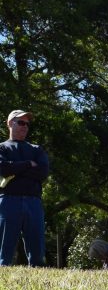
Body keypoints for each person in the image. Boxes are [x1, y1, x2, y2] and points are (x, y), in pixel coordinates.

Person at [0, 110, 49, 266]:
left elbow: (43, 172)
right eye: (21, 122)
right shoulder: (2, 148)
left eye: (27, 124)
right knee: (4, 251)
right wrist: (28, 164)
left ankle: (40, 283)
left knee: (37, 252)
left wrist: (15, 168)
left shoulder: (36, 149)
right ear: (9, 123)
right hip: (8, 201)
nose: (25, 127)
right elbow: (2, 168)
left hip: (33, 202)